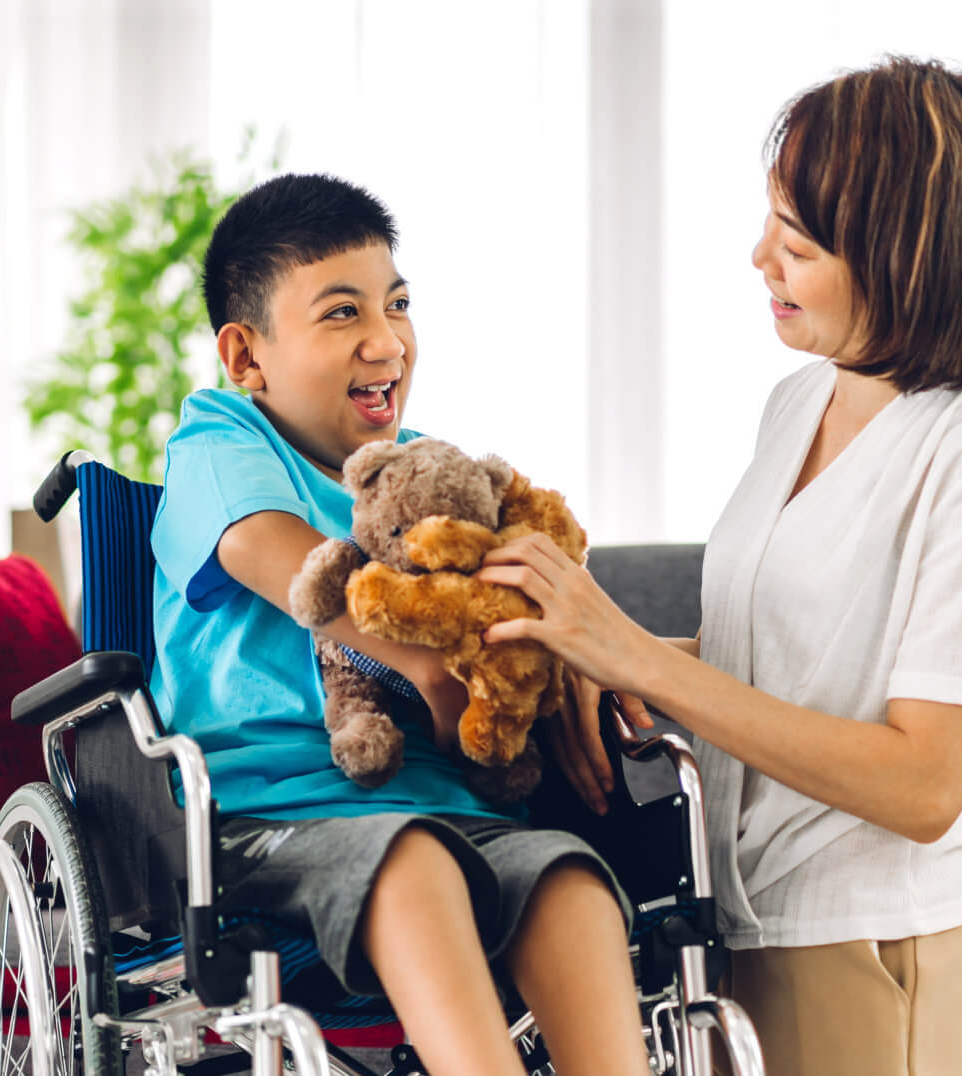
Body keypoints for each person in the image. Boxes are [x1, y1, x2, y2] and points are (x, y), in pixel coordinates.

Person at [480, 56, 962, 1076]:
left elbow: (928, 781)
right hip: (749, 933)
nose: (759, 258)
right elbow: (777, 654)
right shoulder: (796, 406)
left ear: (906, 257)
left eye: (796, 241)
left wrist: (641, 659)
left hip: (886, 949)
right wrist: (600, 652)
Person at [147, 172, 650, 1076]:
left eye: (398, 304)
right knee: (411, 863)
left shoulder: (421, 471)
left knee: (570, 881)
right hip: (272, 815)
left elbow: (521, 597)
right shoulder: (219, 443)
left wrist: (581, 660)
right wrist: (421, 667)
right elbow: (275, 554)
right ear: (246, 356)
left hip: (454, 809)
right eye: (342, 314)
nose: (388, 342)